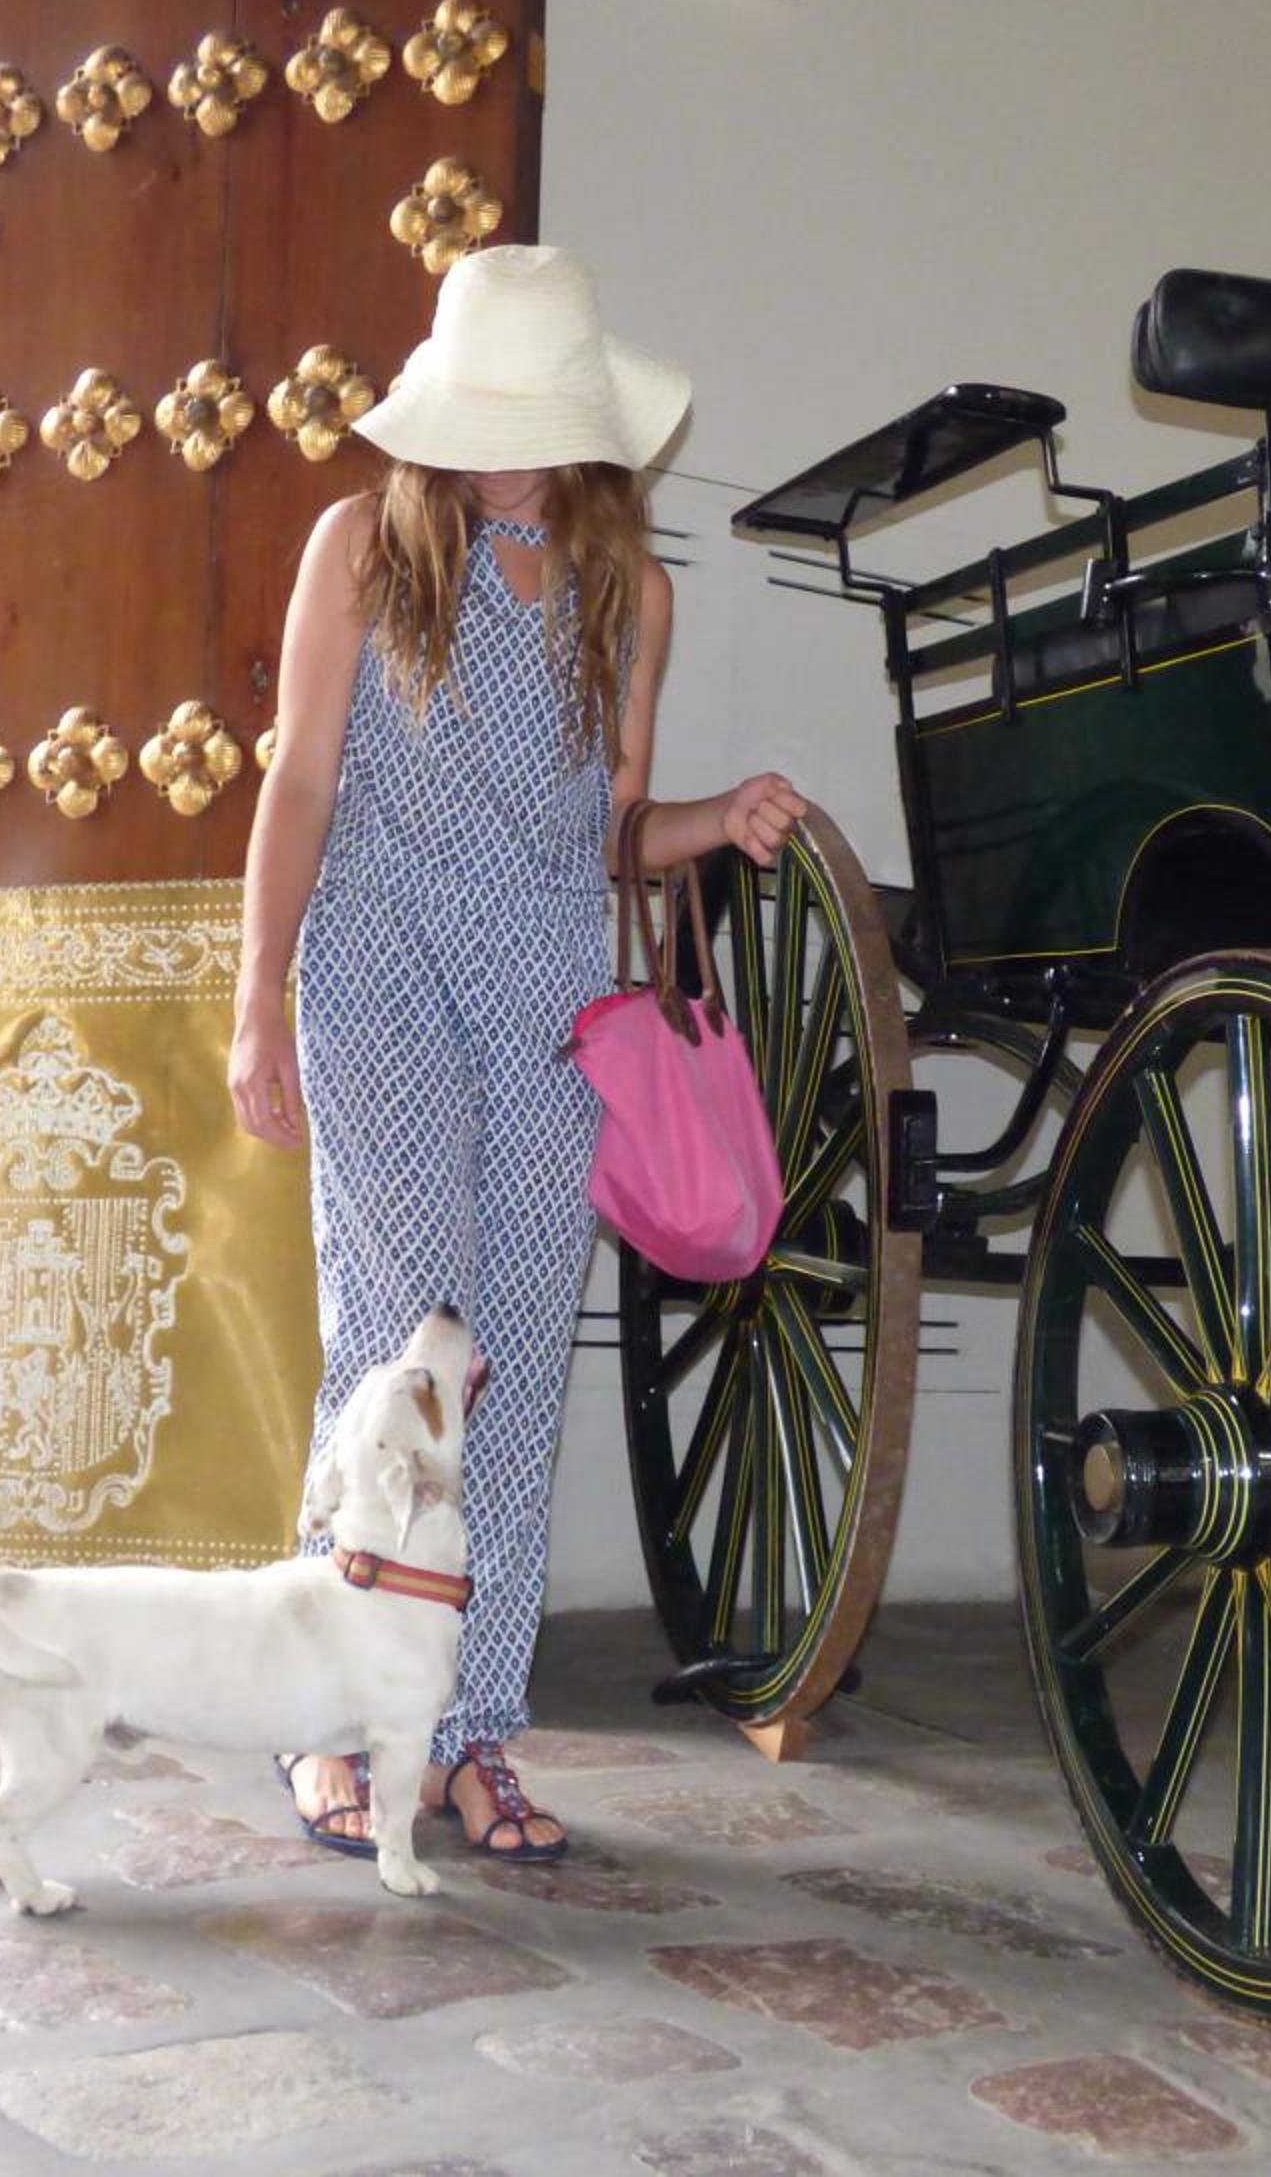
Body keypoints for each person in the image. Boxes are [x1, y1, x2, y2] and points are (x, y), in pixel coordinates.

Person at [229, 245, 806, 1860]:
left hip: (549, 983)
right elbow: (300, 778)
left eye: (534, 419)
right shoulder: (364, 546)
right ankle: (333, 1717)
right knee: (400, 1338)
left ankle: (469, 1726)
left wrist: (718, 819)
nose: (505, 453)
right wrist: (257, 990)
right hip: (380, 958)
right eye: (485, 415)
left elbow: (611, 825)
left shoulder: (635, 593)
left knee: (523, 1355)